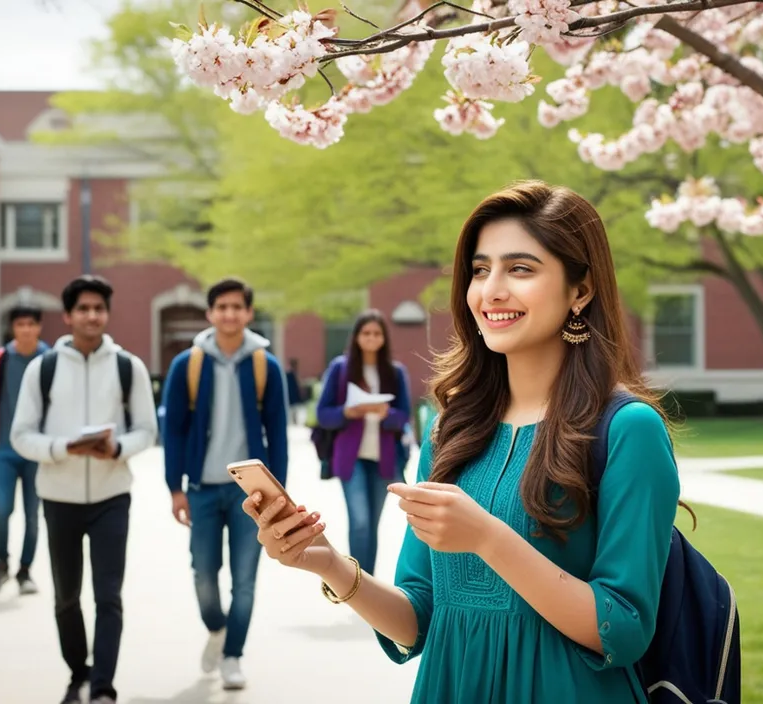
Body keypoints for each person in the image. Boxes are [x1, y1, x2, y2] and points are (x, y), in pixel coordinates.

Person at [241, 181, 682, 703]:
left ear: (580, 290)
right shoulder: (451, 431)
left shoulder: (629, 430)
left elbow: (624, 628)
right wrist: (328, 563)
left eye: (520, 269)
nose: (491, 290)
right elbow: (417, 621)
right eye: (480, 269)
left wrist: (489, 539)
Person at [10, 275, 158, 704]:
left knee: (109, 596)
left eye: (99, 308)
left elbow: (148, 430)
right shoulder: (44, 368)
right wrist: (63, 448)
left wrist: (117, 449)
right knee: (66, 597)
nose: (92, 315)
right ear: (68, 315)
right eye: (84, 308)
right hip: (59, 499)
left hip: (113, 496)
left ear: (106, 314)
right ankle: (79, 674)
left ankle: (103, 688)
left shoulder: (128, 366)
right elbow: (21, 435)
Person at [160, 277, 288, 691]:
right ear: (210, 313)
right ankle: (217, 627)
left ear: (249, 313)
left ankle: (233, 655)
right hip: (201, 487)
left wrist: (279, 494)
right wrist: (174, 487)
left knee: (246, 579)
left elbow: (278, 433)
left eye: (238, 307)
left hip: (250, 495)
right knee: (203, 574)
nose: (230, 314)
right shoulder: (188, 364)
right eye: (222, 307)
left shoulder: (264, 364)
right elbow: (174, 430)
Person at [316, 310, 412, 576]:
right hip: (351, 458)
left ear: (384, 338)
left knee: (372, 524)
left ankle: (365, 580)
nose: (371, 338)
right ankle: (356, 580)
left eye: (377, 333)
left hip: (384, 459)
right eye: (366, 333)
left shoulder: (395, 371)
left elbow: (404, 416)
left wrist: (386, 414)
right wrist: (347, 412)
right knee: (359, 521)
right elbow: (323, 414)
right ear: (356, 337)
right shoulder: (341, 368)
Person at [0, 305, 50, 594]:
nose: (25, 329)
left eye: (30, 324)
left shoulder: (50, 360)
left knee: (33, 514)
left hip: (36, 452)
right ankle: (1, 565)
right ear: (12, 328)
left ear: (38, 327)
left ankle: (25, 571)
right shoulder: (1, 360)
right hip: (4, 451)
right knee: (2, 510)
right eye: (19, 324)